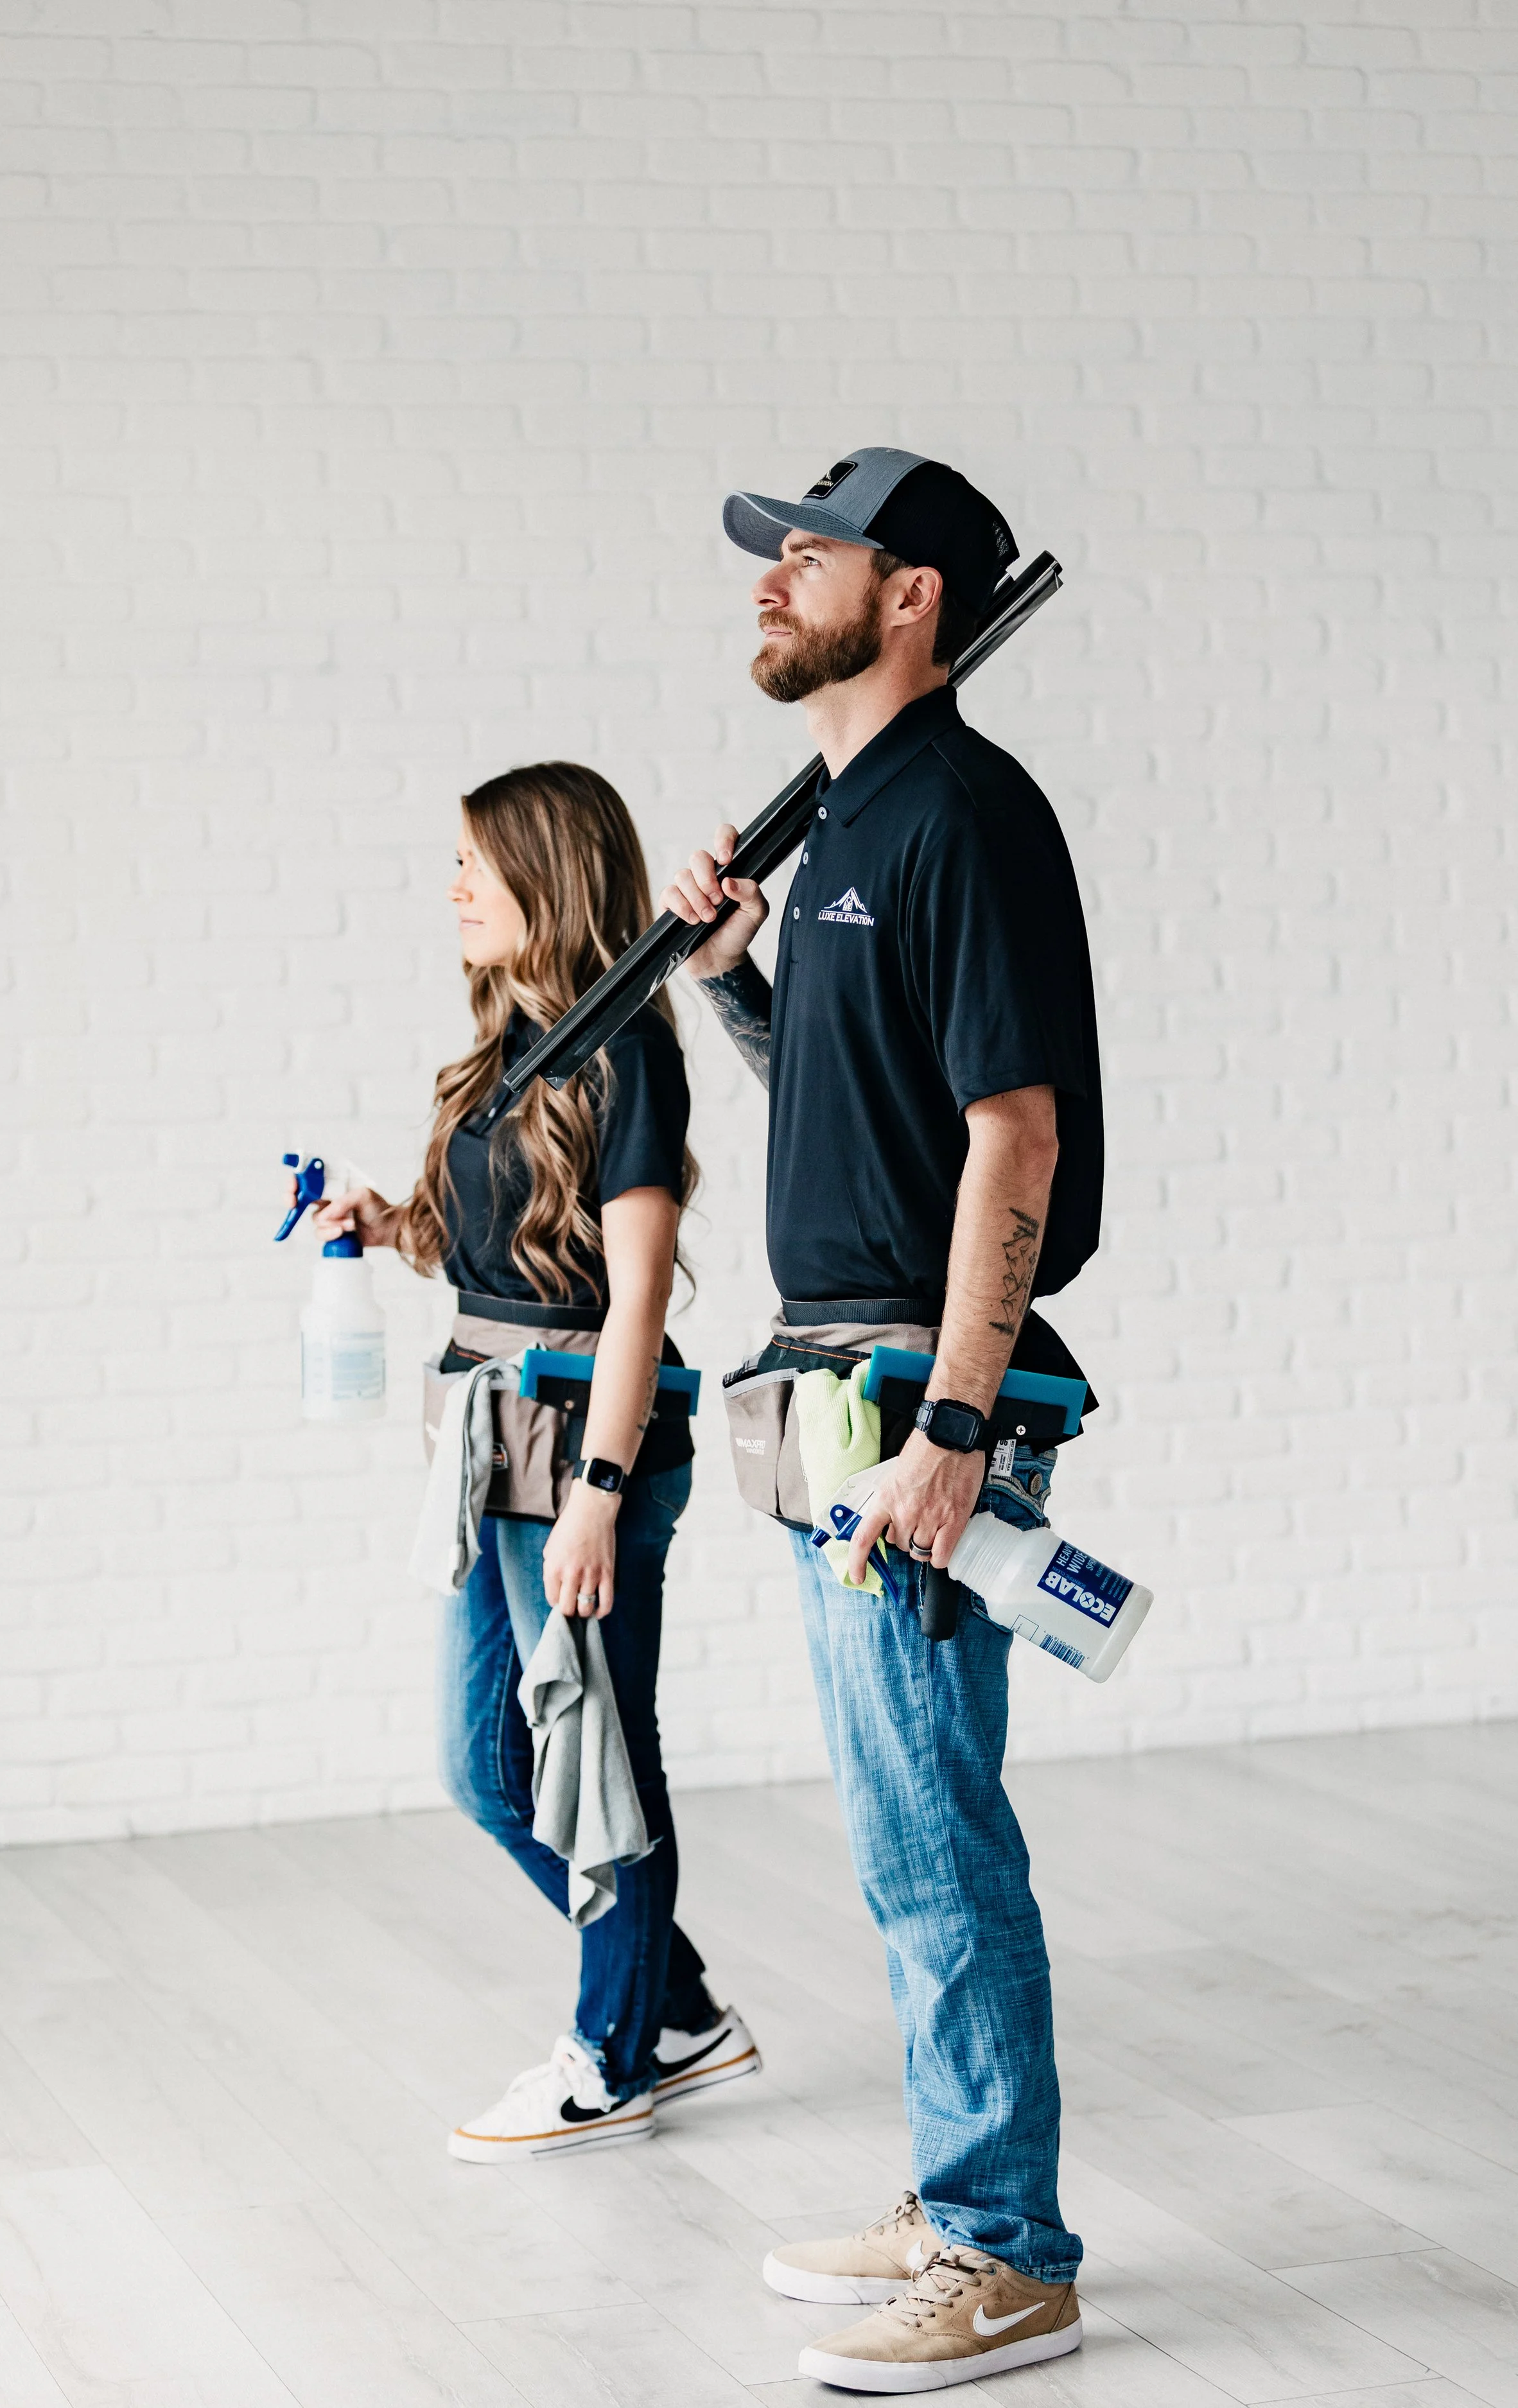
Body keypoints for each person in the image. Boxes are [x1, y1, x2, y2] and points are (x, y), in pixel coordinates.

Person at [663, 449, 1100, 2389]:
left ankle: (1007, 2250)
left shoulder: (963, 816)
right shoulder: (847, 822)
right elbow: (860, 1113)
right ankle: (952, 2193)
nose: (771, 584)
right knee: (893, 1819)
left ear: (909, 594)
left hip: (915, 1403)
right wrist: (734, 981)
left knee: (933, 1825)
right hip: (836, 1382)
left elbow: (1015, 1132)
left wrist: (954, 1416)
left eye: (807, 557)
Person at [307, 760, 760, 2159]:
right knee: (485, 1765)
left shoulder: (631, 1050)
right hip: (490, 1437)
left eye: (469, 864)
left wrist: (600, 1498)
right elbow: (501, 1253)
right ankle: (672, 2011)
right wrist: (394, 1225)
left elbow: (631, 1296)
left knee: (594, 1751)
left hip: (580, 1445)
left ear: (543, 875)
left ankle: (611, 2055)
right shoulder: (504, 1055)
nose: (448, 888)